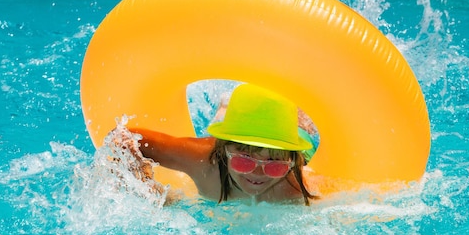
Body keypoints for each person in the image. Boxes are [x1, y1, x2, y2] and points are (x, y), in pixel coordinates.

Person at [114, 83, 317, 205]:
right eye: (244, 161)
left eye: (274, 165)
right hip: (240, 133)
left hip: (289, 135)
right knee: (223, 122)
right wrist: (153, 194)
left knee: (304, 122)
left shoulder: (296, 188)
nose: (257, 173)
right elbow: (124, 138)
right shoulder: (202, 160)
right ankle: (227, 108)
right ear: (222, 150)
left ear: (291, 162)